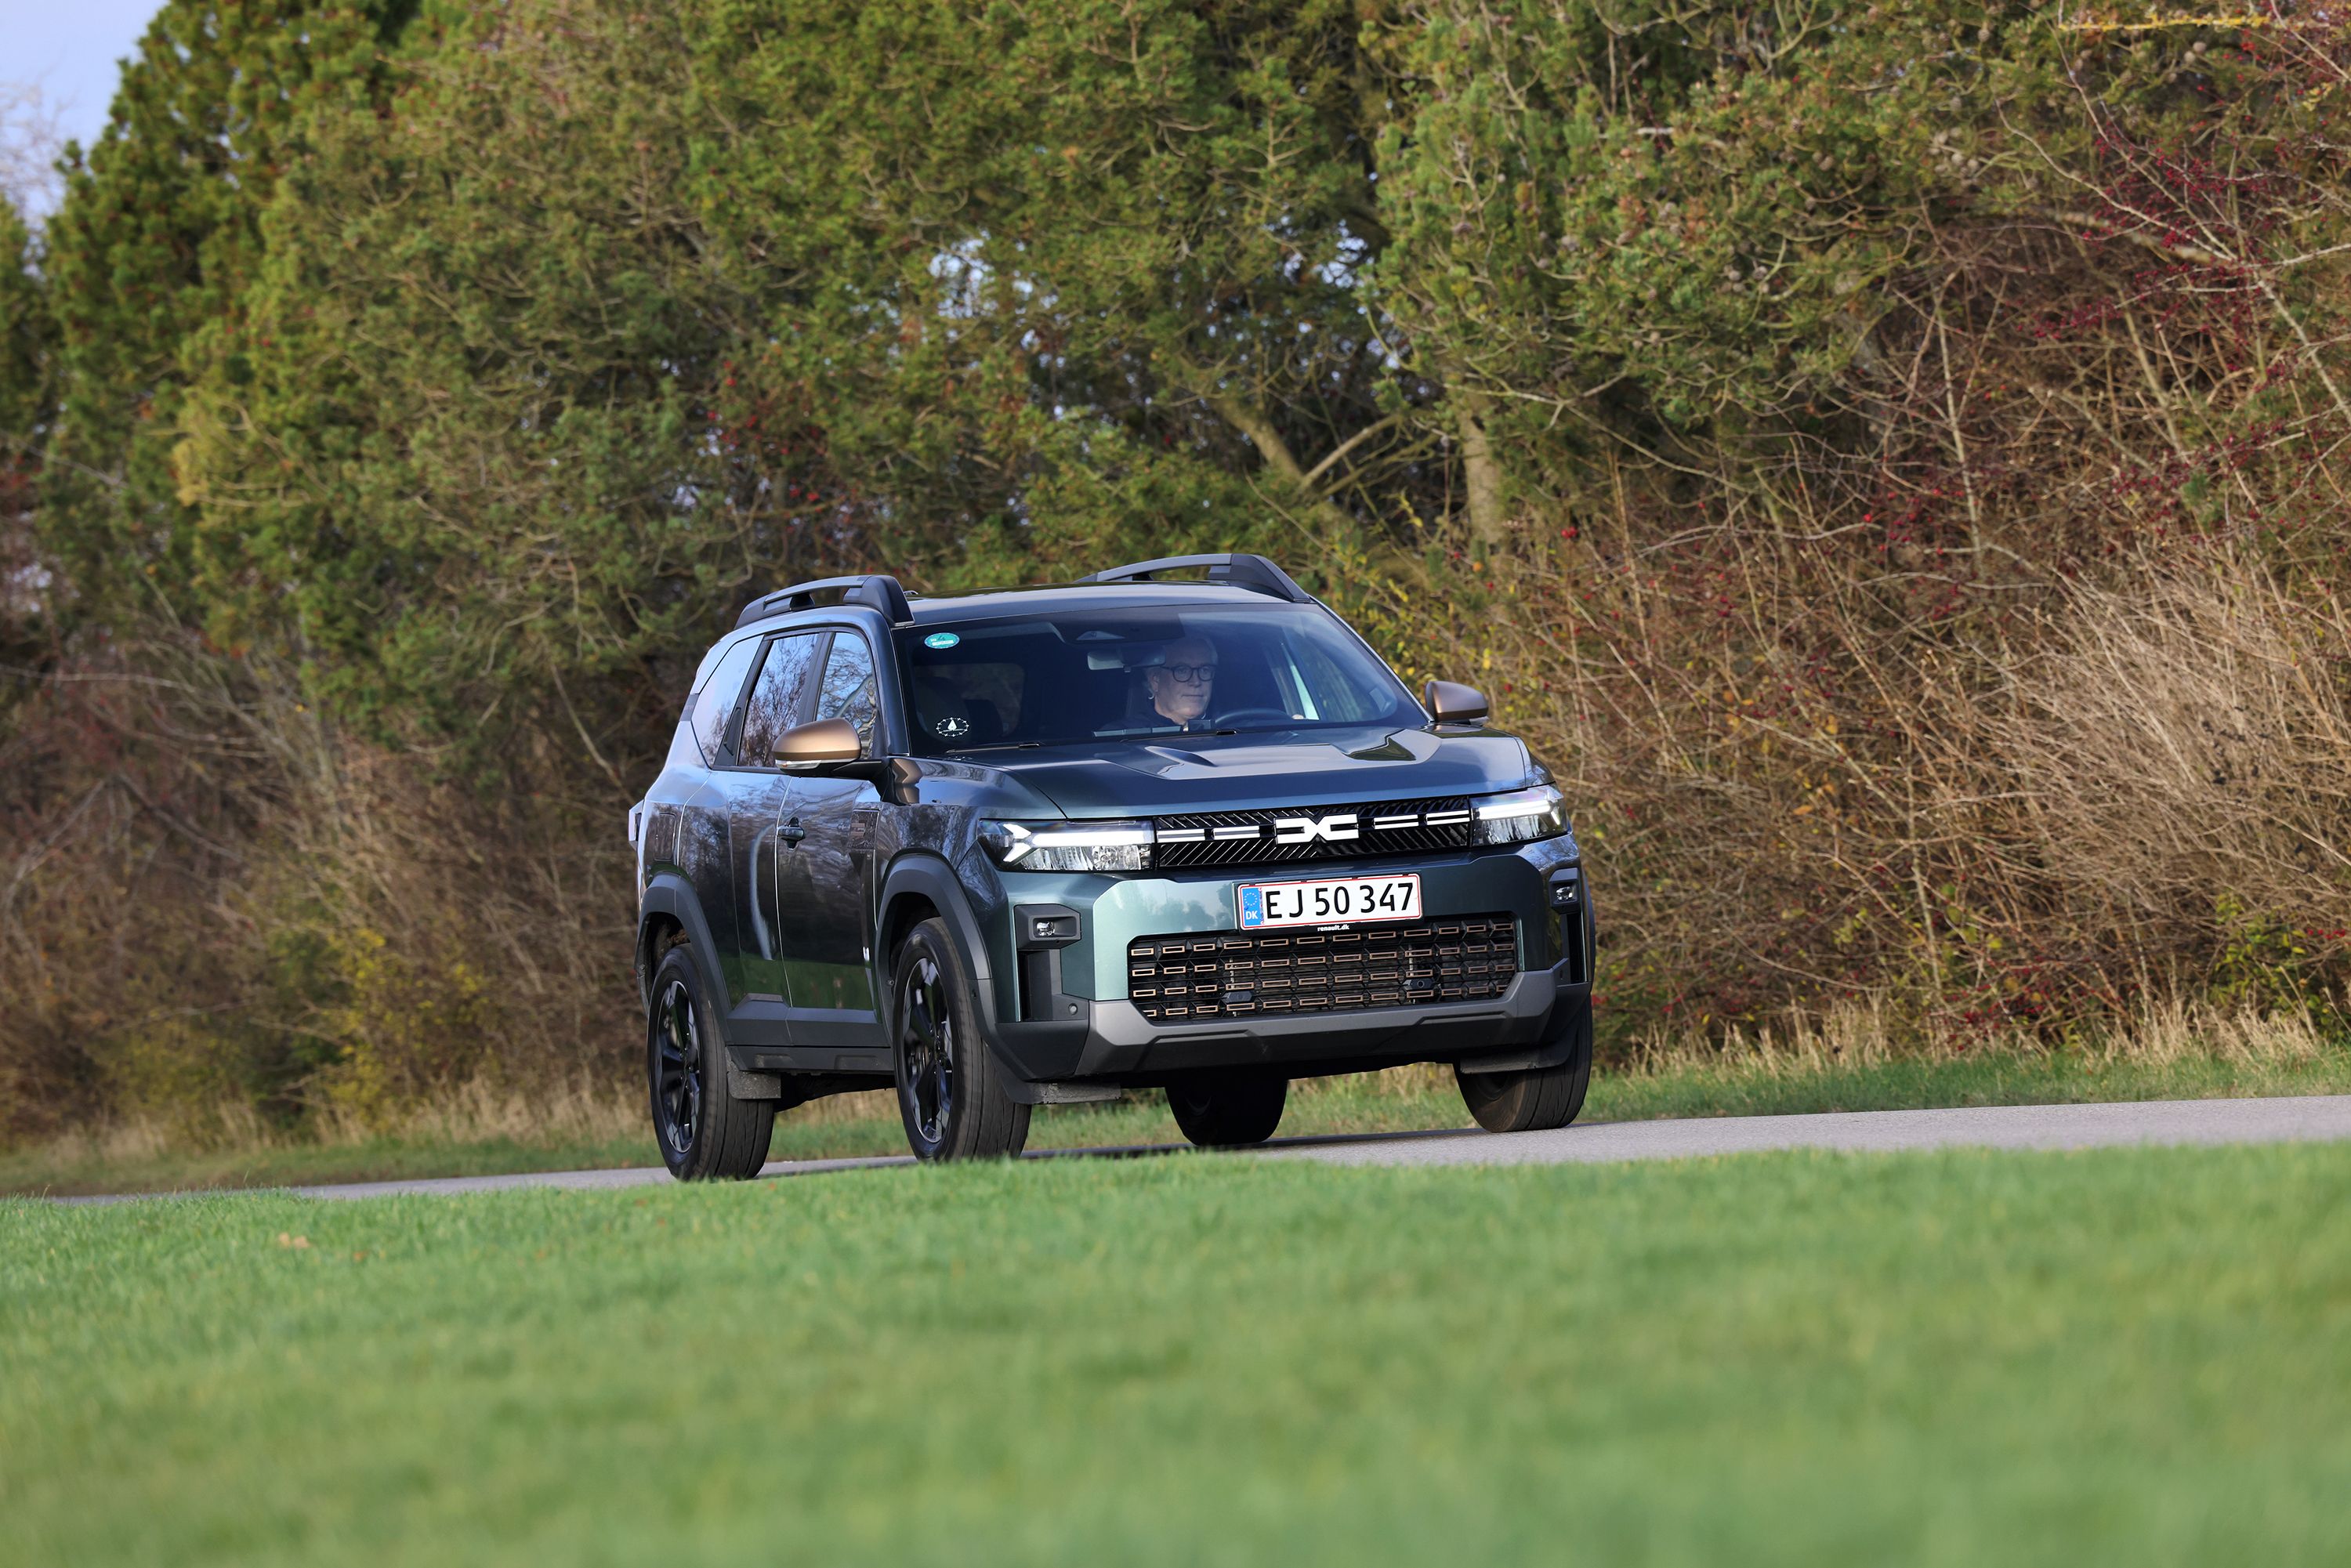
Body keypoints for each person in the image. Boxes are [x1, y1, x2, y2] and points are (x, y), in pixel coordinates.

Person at [1139, 633, 1219, 731]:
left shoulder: (1234, 730)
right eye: (1182, 671)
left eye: (1205, 670)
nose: (1196, 682)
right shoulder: (1125, 737)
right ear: (1155, 680)